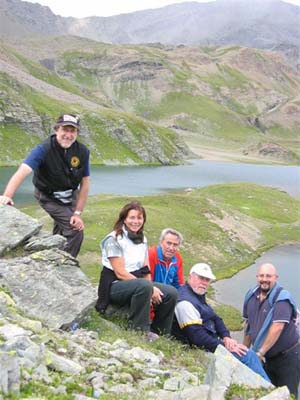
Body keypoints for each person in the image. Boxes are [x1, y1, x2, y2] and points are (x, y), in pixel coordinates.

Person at [0, 114, 90, 258]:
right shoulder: (43, 149)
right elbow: (23, 171)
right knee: (75, 231)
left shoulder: (82, 151)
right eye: (64, 130)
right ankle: (64, 265)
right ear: (56, 130)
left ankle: (54, 254)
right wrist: (7, 196)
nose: (68, 135)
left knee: (63, 227)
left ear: (77, 133)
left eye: (72, 131)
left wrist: (77, 212)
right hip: (48, 196)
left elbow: (85, 182)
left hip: (70, 196)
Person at [172, 263, 270, 381]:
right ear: (190, 277)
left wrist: (226, 337)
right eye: (200, 278)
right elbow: (197, 338)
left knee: (250, 355)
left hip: (210, 343)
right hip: (197, 348)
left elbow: (216, 318)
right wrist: (225, 347)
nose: (204, 282)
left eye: (207, 279)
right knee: (248, 356)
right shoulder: (185, 303)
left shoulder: (196, 295)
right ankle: (268, 389)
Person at [95, 201, 178, 338]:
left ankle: (161, 333)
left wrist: (152, 287)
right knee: (144, 285)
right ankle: (139, 332)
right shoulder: (114, 239)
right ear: (124, 219)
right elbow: (120, 272)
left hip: (135, 283)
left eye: (139, 218)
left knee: (170, 293)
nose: (136, 221)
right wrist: (150, 288)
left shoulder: (142, 239)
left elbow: (145, 268)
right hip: (114, 286)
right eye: (132, 218)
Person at [243, 263, 300, 397]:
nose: (264, 279)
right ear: (257, 277)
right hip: (267, 358)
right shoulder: (250, 296)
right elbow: (248, 325)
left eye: (268, 276)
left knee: (288, 394)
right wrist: (244, 351)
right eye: (261, 275)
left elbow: (277, 327)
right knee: (268, 392)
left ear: (276, 278)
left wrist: (260, 352)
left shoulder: (282, 299)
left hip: (288, 357)